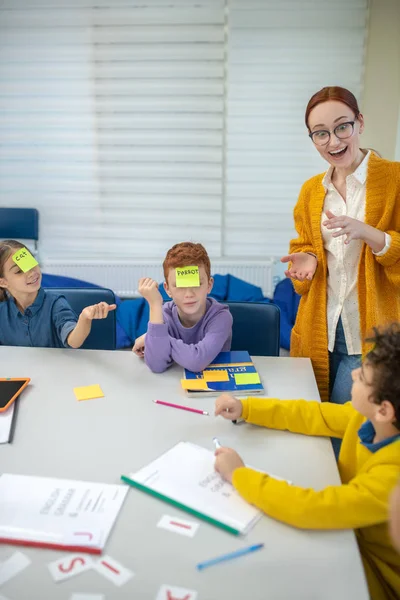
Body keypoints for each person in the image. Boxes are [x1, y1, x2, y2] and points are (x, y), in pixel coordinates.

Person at [214, 322, 400, 600]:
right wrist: (247, 408)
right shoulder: (367, 418)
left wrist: (239, 474)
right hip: (349, 539)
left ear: (384, 410)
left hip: (374, 574)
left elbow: (310, 508)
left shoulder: (392, 476)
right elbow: (313, 414)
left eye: (363, 378)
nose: (354, 374)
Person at [281, 86, 400, 405]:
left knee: (345, 434)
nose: (333, 141)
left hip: (372, 338)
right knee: (312, 419)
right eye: (321, 133)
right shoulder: (310, 191)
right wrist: (305, 264)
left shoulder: (395, 180)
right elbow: (304, 253)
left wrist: (370, 234)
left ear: (359, 122)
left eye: (342, 127)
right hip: (319, 331)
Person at [132, 241, 232, 372]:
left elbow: (196, 362)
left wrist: (152, 337)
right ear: (167, 289)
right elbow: (157, 366)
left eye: (196, 284)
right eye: (180, 286)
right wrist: (155, 305)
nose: (189, 294)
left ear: (209, 285)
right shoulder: (164, 314)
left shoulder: (221, 317)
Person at [0, 240, 116, 348]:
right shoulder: (3, 311)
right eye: (19, 271)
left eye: (30, 263)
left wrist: (84, 318)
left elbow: (74, 341)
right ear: (3, 282)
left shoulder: (55, 303)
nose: (31, 273)